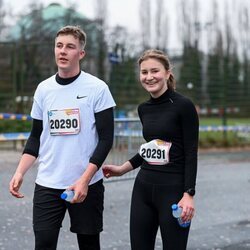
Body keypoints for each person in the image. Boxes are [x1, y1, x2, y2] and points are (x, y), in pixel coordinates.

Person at [9, 25, 116, 250]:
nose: (63, 51)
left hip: (86, 183)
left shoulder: (97, 88)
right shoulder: (43, 89)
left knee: (88, 245)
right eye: (59, 46)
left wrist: (85, 180)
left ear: (81, 54)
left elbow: (106, 139)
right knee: (44, 244)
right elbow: (35, 137)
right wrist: (20, 171)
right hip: (48, 183)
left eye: (70, 47)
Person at [103, 49, 199, 250]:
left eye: (154, 71)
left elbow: (191, 152)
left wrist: (188, 193)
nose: (149, 77)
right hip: (143, 188)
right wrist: (123, 169)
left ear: (167, 72)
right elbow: (150, 149)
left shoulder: (184, 106)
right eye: (144, 72)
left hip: (173, 191)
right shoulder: (143, 109)